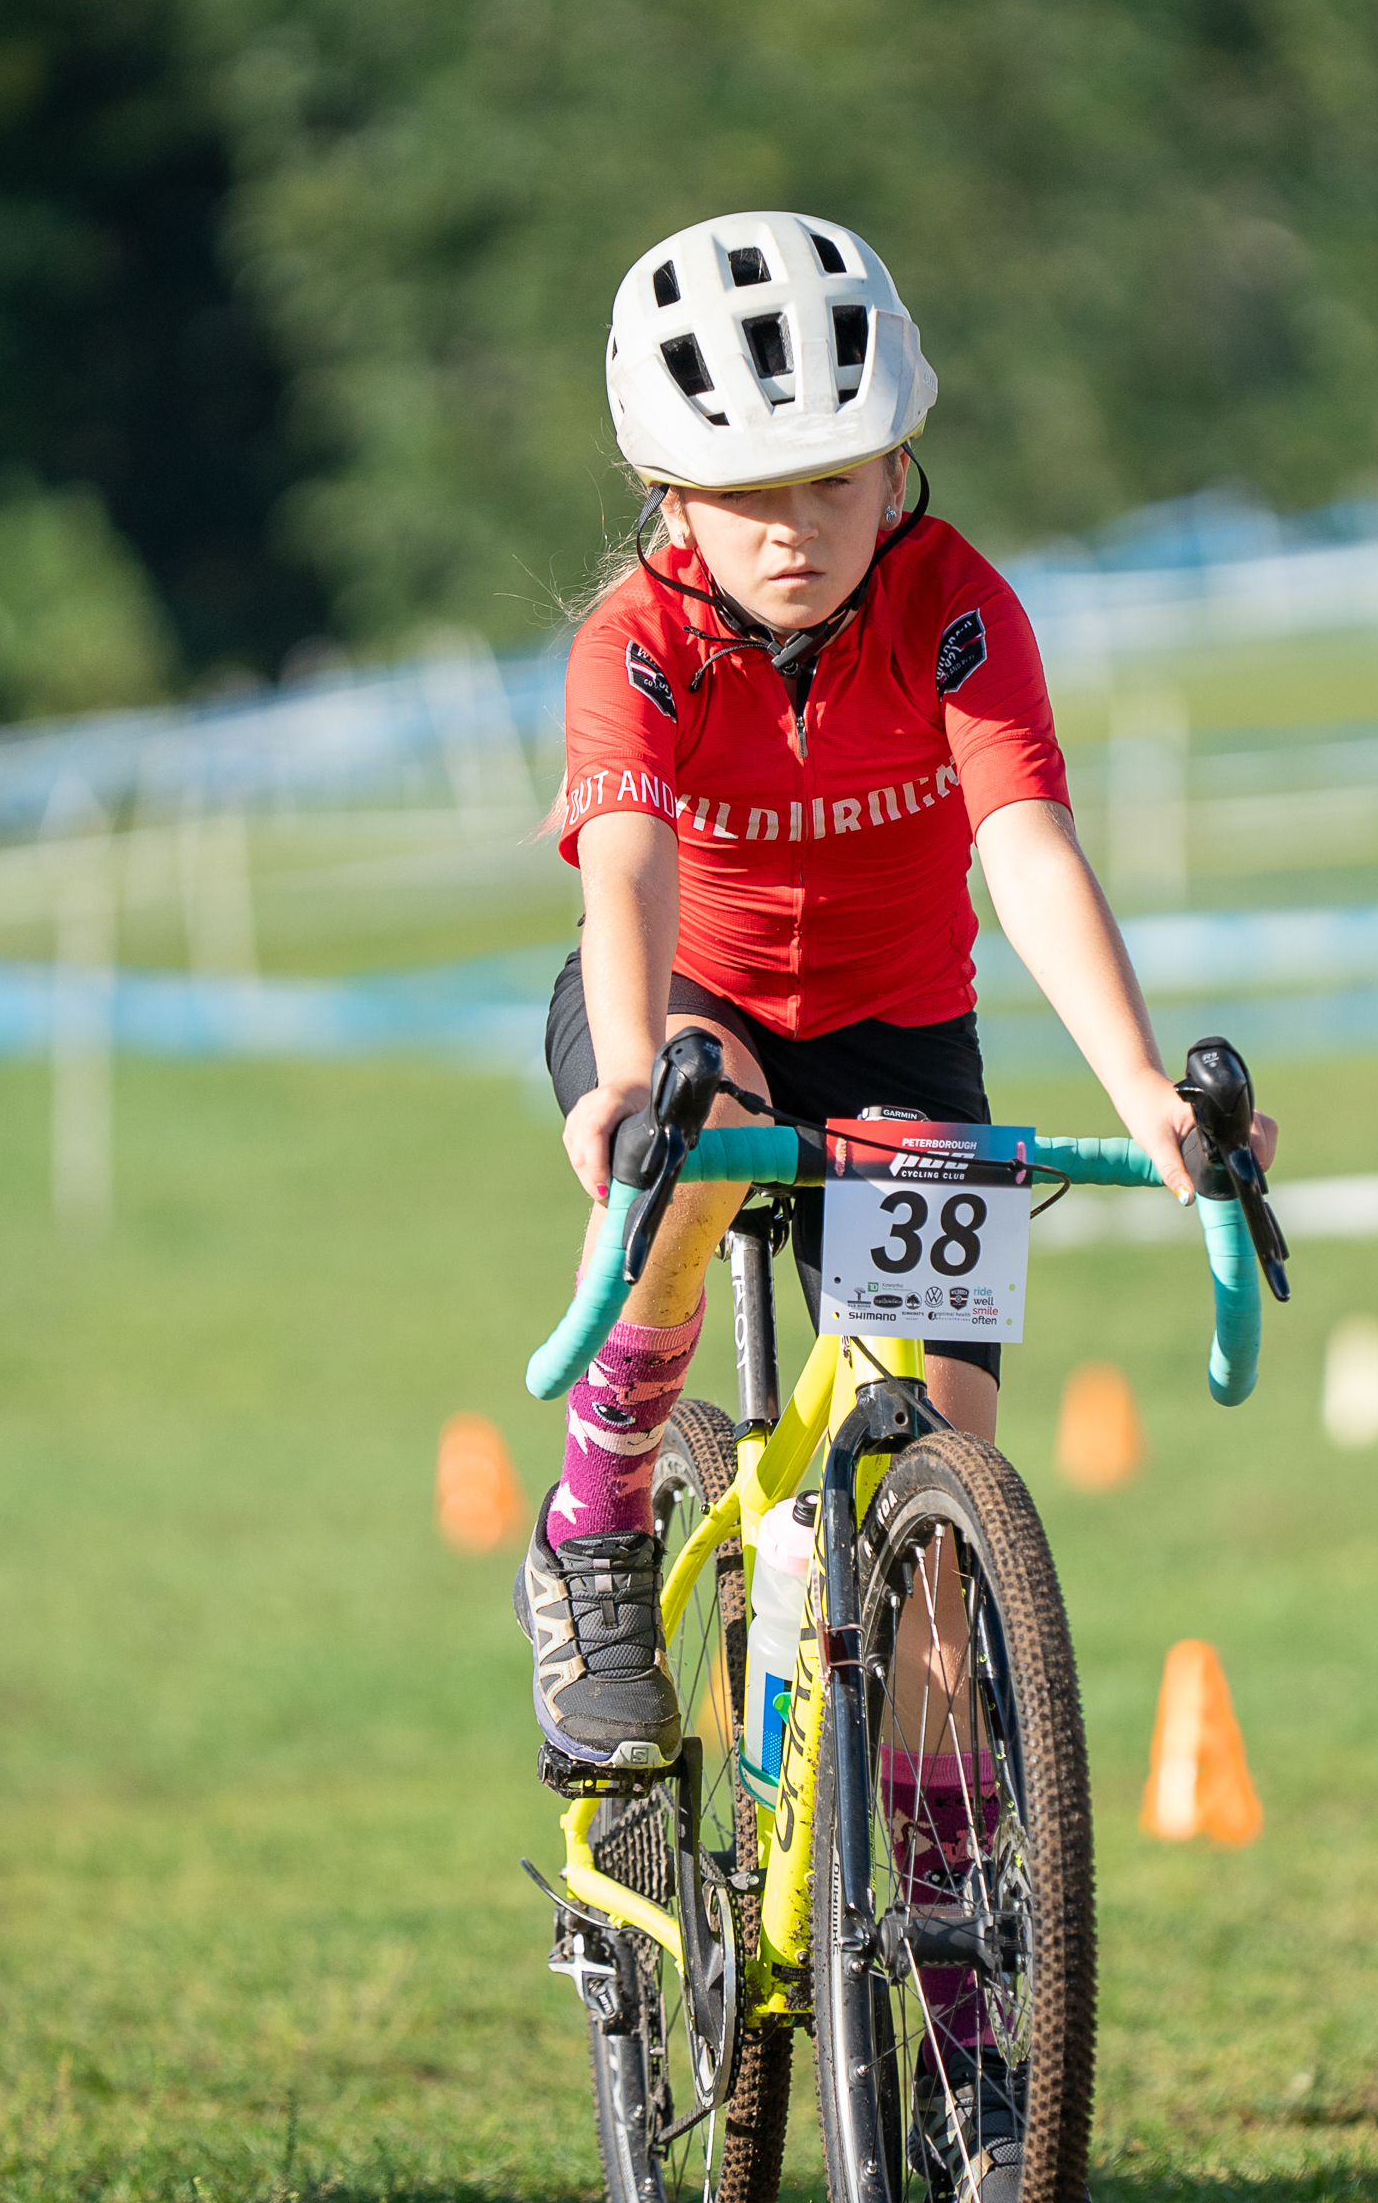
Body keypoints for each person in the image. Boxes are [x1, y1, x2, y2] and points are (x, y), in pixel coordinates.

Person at [518, 209, 1274, 2194]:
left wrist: (1144, 1094)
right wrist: (629, 1072)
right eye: (751, 493)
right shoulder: (635, 641)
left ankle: (954, 1973)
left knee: (943, 1506)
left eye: (836, 480)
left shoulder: (953, 608)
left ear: (899, 459)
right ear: (668, 491)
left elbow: (1023, 842)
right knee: (702, 1117)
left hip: (902, 1042)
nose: (799, 527)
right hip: (682, 1012)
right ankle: (598, 1520)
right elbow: (625, 861)